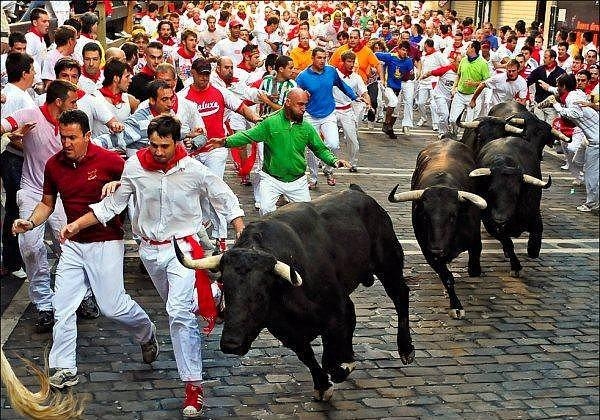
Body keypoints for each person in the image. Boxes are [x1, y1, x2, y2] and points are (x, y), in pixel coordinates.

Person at [60, 114, 245, 418]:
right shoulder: (134, 167)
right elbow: (111, 206)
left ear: (177, 142)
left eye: (164, 145)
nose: (158, 151)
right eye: (154, 144)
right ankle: (213, 294)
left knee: (178, 313)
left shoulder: (194, 170)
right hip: (149, 252)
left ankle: (193, 386)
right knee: (185, 305)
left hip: (184, 250)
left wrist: (241, 230)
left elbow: (224, 198)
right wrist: (75, 226)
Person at [11, 109, 159, 389]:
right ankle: (64, 367)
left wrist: (120, 181)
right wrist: (29, 223)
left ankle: (145, 330)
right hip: (74, 246)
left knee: (112, 307)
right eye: (62, 137)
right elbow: (46, 204)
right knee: (63, 307)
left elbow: (139, 178)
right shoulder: (54, 165)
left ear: (87, 136)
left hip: (106, 243)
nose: (66, 143)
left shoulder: (109, 161)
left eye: (72, 138)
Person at [0, 80, 99, 331]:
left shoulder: (75, 124)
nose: (76, 106)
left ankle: (84, 296)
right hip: (34, 192)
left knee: (70, 247)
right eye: (73, 101)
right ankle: (44, 304)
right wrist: (10, 134)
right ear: (59, 102)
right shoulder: (30, 115)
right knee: (30, 248)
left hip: (64, 194)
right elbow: (3, 124)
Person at [206, 88, 350, 215]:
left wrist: (334, 161)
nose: (304, 109)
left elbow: (320, 149)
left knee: (306, 217)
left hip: (298, 181)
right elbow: (247, 136)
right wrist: (225, 142)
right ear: (288, 102)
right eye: (300, 104)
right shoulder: (270, 123)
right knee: (266, 210)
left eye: (305, 104)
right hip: (271, 180)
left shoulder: (306, 128)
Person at [296, 47, 360, 188]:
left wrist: (355, 97)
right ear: (312, 58)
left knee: (334, 144)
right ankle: (313, 178)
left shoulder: (331, 71)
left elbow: (342, 85)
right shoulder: (302, 77)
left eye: (324, 58)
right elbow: (295, 95)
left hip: (329, 113)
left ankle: (328, 168)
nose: (322, 61)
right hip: (310, 115)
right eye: (319, 58)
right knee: (312, 149)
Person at [0, 51, 37, 279]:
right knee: (15, 209)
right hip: (14, 158)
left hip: (15, 157)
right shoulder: (18, 97)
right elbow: (12, 133)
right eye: (32, 71)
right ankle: (13, 261)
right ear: (24, 73)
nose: (34, 75)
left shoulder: (13, 93)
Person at [552, 74, 599, 212]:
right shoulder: (574, 94)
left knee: (591, 173)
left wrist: (557, 106)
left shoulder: (572, 97)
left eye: (558, 86)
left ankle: (591, 204)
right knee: (578, 161)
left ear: (564, 87)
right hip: (592, 139)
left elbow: (575, 114)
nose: (557, 88)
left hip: (596, 141)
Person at [333, 50, 371, 171]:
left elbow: (364, 92)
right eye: (349, 61)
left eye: (353, 62)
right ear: (342, 62)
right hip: (331, 111)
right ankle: (326, 163)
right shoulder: (334, 74)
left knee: (352, 139)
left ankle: (353, 163)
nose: (351, 64)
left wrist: (368, 103)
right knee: (331, 140)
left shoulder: (356, 77)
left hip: (347, 111)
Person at [448, 40, 490, 134]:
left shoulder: (483, 63)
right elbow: (458, 75)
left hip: (474, 96)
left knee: (470, 123)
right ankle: (454, 134)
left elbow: (486, 82)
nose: (466, 49)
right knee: (452, 120)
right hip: (460, 94)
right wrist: (454, 88)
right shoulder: (463, 60)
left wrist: (474, 83)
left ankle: (466, 141)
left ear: (473, 49)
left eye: (468, 47)